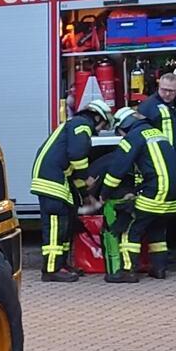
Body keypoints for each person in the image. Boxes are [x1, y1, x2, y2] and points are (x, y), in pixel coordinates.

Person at [30, 93, 112, 282]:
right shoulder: (81, 125)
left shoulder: (74, 126)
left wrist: (85, 195)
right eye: (103, 125)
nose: (100, 131)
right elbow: (77, 157)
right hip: (51, 182)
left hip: (57, 180)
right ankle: (50, 270)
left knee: (65, 224)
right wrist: (88, 178)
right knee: (55, 225)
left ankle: (62, 265)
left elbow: (73, 171)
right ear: (97, 117)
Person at [96, 105, 176, 282]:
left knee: (130, 229)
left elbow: (117, 169)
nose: (121, 136)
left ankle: (128, 271)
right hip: (173, 195)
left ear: (124, 126)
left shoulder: (133, 137)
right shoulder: (157, 134)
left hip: (157, 191)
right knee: (156, 229)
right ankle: (159, 269)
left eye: (120, 132)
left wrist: (104, 193)